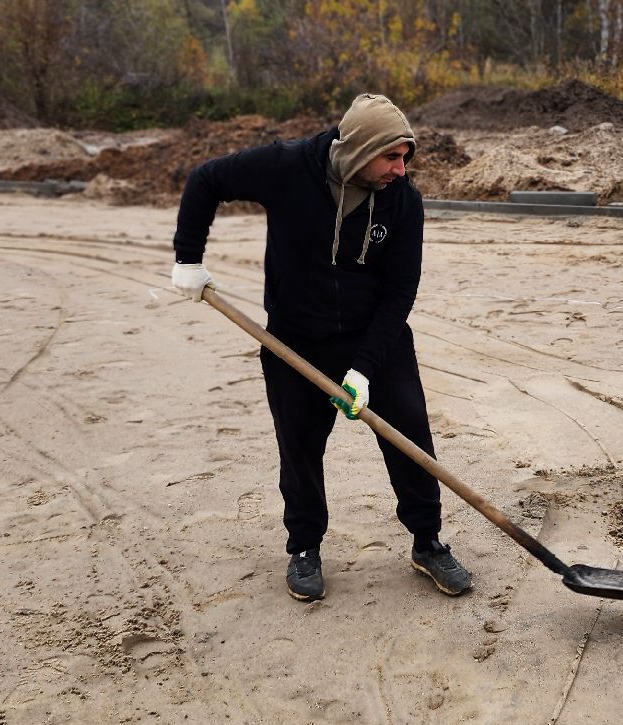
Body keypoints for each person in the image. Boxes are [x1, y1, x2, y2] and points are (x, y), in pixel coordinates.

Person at [169, 93, 471, 602]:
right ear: (358, 149)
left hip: (377, 339)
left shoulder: (403, 201)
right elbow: (206, 180)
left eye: (406, 157)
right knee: (300, 446)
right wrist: (188, 259)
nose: (402, 169)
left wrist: (364, 368)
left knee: (410, 437)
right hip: (295, 339)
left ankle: (428, 541)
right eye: (391, 157)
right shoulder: (287, 167)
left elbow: (401, 291)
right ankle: (304, 548)